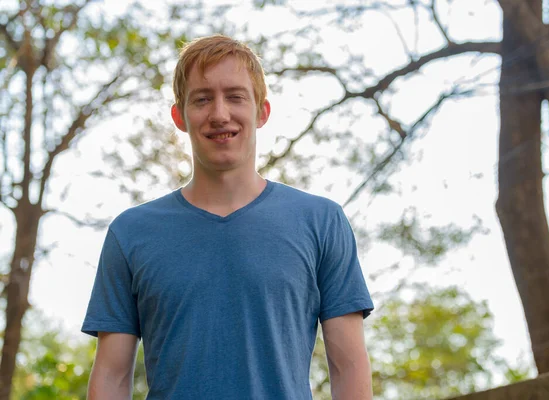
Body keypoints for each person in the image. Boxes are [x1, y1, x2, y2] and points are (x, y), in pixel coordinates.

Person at [82, 34, 374, 400]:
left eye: (235, 96)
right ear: (180, 116)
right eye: (202, 99)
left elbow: (349, 370)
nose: (220, 114)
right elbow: (110, 378)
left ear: (261, 111)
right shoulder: (130, 233)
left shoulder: (321, 221)